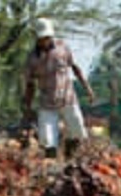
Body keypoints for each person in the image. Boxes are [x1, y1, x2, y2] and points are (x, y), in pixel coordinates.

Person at [22, 17, 96, 160]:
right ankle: (51, 168)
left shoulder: (63, 48)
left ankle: (71, 161)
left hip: (68, 99)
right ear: (37, 38)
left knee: (78, 133)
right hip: (47, 103)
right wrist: (27, 106)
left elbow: (75, 67)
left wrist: (88, 88)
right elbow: (30, 84)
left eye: (48, 37)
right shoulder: (32, 59)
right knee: (48, 141)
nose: (46, 40)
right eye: (43, 38)